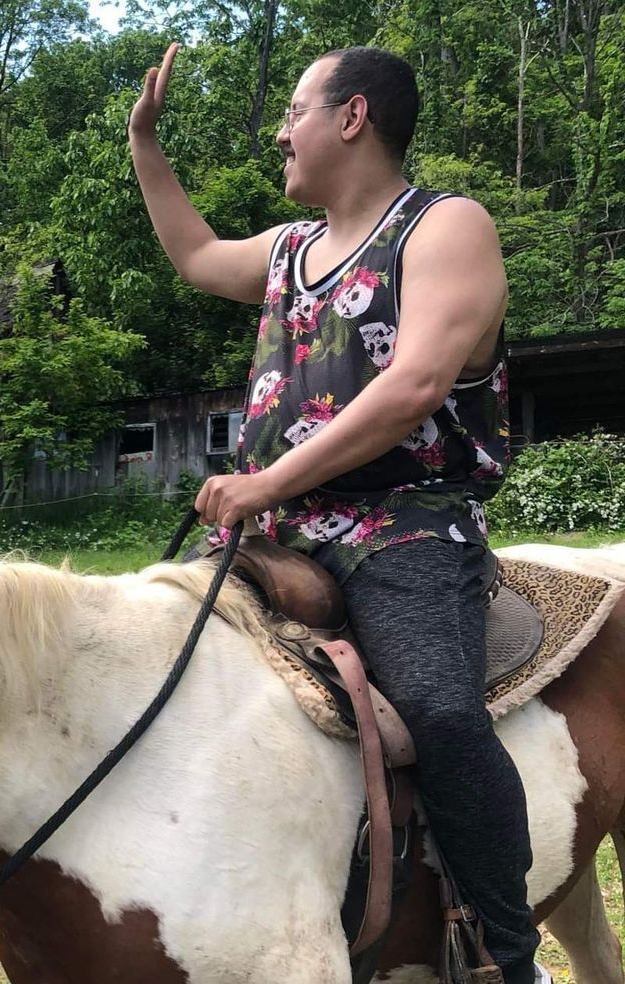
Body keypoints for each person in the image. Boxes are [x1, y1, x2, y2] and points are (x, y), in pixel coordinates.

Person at [130, 44, 545, 984]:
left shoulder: (445, 227)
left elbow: (415, 386)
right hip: (275, 532)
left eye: (293, 111)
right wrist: (144, 145)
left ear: (352, 116)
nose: (281, 133)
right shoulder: (288, 249)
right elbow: (196, 257)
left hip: (403, 520)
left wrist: (266, 482)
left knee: (438, 711)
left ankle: (505, 953)